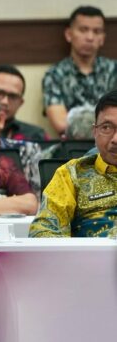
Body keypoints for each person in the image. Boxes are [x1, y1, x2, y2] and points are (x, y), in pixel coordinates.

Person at [30, 90, 117, 238]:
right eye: (107, 128)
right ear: (94, 132)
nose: (115, 139)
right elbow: (43, 230)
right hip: (89, 259)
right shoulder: (71, 174)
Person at [43, 6, 117, 136]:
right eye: (83, 30)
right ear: (69, 34)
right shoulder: (55, 74)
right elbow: (60, 123)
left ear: (102, 38)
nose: (90, 37)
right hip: (74, 147)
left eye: (96, 31)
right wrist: (105, 127)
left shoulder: (114, 71)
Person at [0, 65, 48, 141]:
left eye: (13, 96)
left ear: (20, 103)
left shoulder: (36, 136)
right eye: (0, 93)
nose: (5, 102)